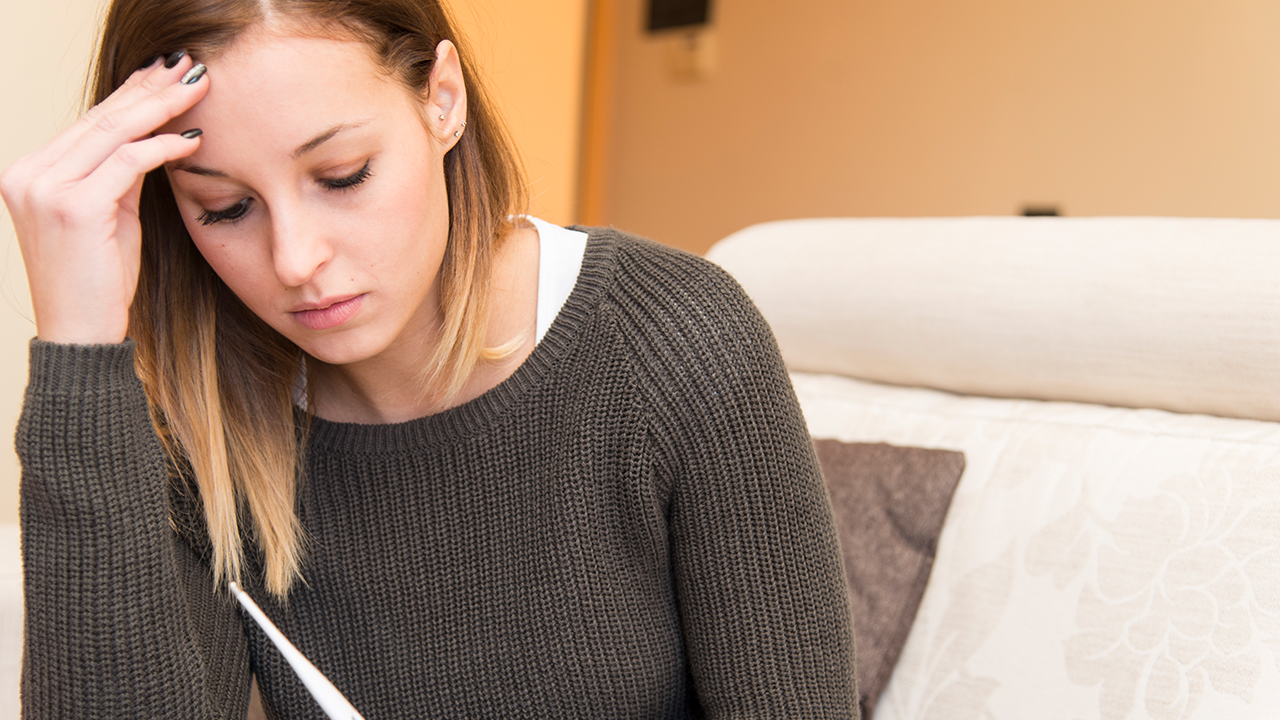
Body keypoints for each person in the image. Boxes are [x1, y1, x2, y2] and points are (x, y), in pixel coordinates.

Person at [1, 0, 858, 716]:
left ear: (441, 99)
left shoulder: (673, 345)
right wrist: (80, 349)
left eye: (342, 174)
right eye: (224, 208)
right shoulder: (192, 431)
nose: (296, 259)